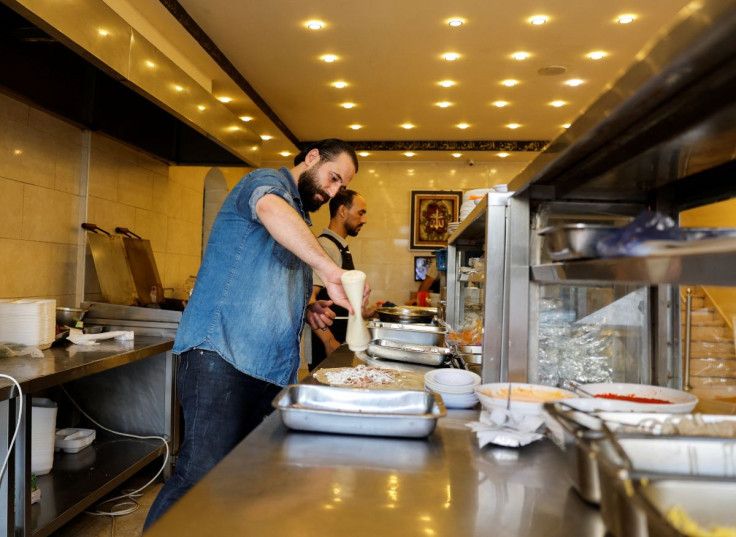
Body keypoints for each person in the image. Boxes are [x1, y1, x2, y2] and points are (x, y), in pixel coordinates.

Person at [144, 139, 368, 530]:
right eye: (333, 179)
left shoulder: (298, 218)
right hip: (220, 356)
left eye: (340, 188)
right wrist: (332, 273)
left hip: (266, 370)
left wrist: (306, 306)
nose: (332, 192)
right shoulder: (264, 183)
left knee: (239, 479)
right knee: (199, 475)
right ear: (312, 158)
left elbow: (264, 282)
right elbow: (268, 208)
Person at [308, 189, 368, 370]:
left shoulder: (339, 246)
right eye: (361, 213)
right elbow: (310, 299)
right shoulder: (326, 246)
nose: (364, 220)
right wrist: (329, 342)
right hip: (327, 348)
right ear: (342, 211)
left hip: (339, 342)